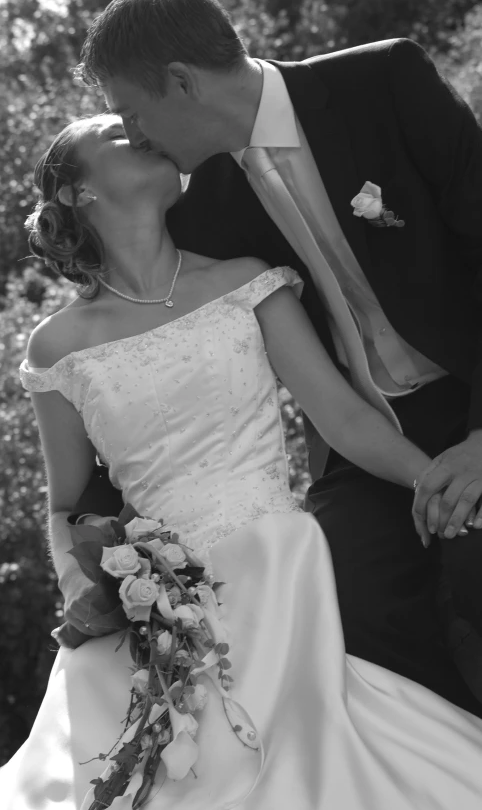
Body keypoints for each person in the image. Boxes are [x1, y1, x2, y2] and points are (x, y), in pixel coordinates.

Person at [2, 113, 482, 809]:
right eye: (114, 134)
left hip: (278, 567)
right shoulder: (57, 347)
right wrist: (77, 576)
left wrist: (438, 481)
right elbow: (65, 502)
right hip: (157, 604)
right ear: (78, 193)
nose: (141, 131)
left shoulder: (246, 282)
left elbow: (344, 419)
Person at [72, 0, 482, 708]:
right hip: (361, 439)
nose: (134, 136)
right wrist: (104, 559)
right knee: (340, 593)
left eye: (132, 114)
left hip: (473, 389)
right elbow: (139, 356)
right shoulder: (206, 214)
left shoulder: (384, 81)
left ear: (180, 81)